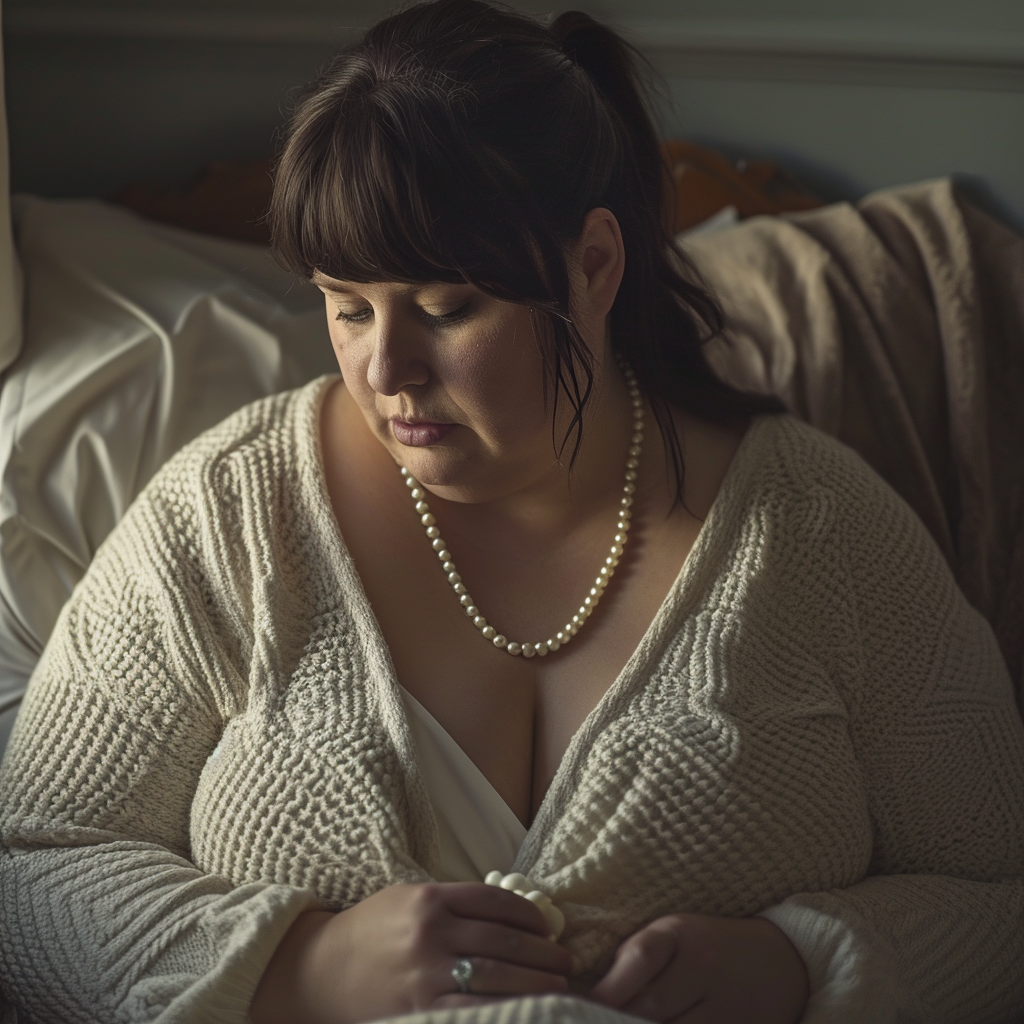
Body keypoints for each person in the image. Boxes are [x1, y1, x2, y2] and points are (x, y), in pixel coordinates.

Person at [1, 2, 1022, 1023]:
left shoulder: (819, 527)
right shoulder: (228, 517)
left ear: (594, 266)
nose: (385, 369)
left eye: (445, 308)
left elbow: (998, 894)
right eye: (347, 305)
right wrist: (302, 968)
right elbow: (29, 864)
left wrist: (801, 964)